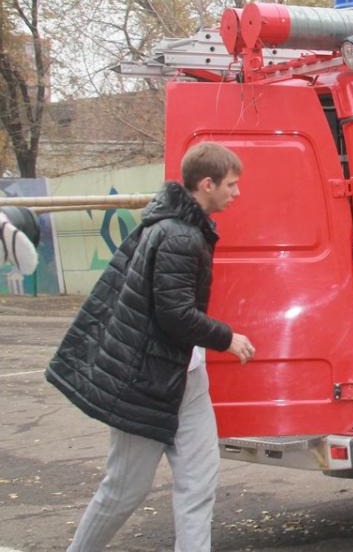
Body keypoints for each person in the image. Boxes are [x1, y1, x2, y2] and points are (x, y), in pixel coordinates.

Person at [45, 142, 256, 552]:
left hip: (185, 377)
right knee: (125, 489)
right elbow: (174, 314)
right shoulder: (178, 235)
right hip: (146, 381)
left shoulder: (181, 227)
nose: (237, 193)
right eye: (231, 184)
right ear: (207, 184)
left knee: (198, 483)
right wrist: (226, 338)